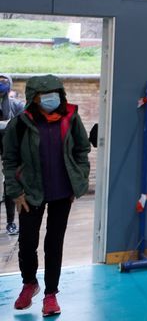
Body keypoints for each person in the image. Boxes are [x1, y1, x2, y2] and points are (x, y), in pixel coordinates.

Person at [1, 75, 90, 317]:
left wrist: (77, 180)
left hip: (62, 192)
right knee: (27, 242)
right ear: (33, 97)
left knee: (54, 243)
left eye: (56, 92)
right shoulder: (20, 123)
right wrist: (15, 191)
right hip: (29, 193)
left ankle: (51, 294)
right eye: (45, 93)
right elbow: (9, 160)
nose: (52, 98)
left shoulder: (70, 119)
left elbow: (82, 150)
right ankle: (29, 283)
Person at [1, 73, 26, 235]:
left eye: (3, 82)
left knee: (10, 187)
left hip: (9, 152)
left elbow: (20, 125)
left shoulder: (16, 105)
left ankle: (11, 222)